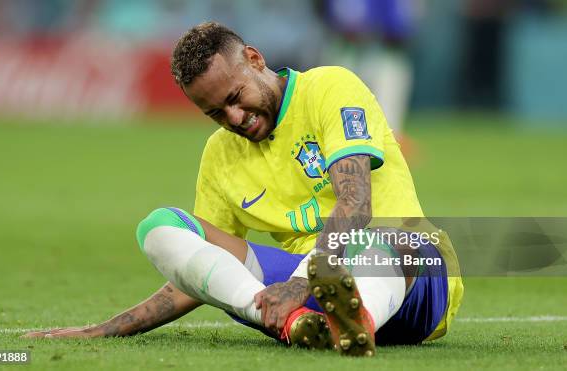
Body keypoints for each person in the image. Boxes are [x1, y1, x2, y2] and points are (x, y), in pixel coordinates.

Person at [24, 22, 463, 356]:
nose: (233, 118)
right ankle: (301, 324)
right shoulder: (220, 155)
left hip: (411, 278)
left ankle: (352, 315)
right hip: (305, 284)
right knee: (160, 226)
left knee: (384, 240)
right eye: (215, 113)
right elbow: (200, 274)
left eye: (235, 97)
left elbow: (356, 203)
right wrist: (105, 328)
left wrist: (304, 282)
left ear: (254, 59)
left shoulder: (330, 88)